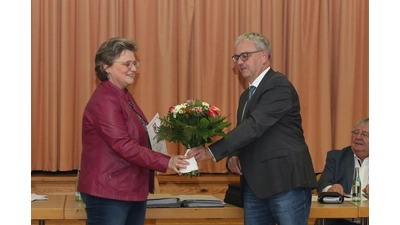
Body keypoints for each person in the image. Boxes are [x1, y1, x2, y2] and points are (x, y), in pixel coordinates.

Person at [187, 32, 317, 225]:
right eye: (237, 57)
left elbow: (254, 126)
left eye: (245, 56)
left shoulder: (278, 85)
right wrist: (234, 156)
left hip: (284, 182)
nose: (239, 62)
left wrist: (212, 152)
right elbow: (248, 134)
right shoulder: (246, 95)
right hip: (255, 186)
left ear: (264, 56)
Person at [77, 37, 189, 225]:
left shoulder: (123, 96)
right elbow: (123, 145)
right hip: (109, 193)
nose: (134, 68)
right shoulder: (105, 100)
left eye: (135, 63)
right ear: (106, 67)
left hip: (129, 189)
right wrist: (166, 161)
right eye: (127, 63)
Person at [316, 117, 369, 225]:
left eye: (365, 134)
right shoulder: (336, 157)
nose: (358, 137)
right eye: (355, 132)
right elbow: (323, 183)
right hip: (341, 220)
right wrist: (330, 188)